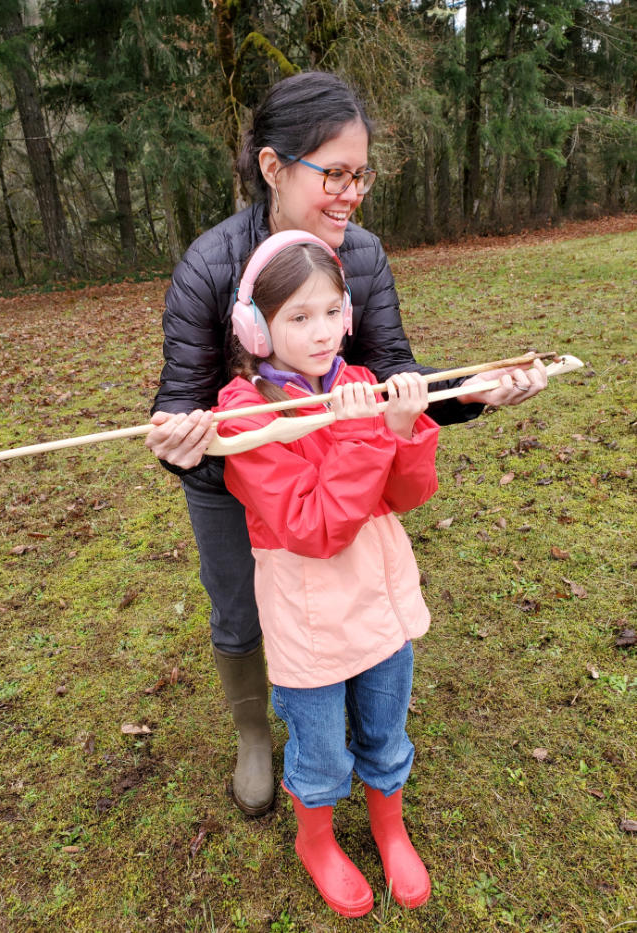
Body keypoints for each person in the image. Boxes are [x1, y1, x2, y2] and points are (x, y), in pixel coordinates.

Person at [146, 71, 547, 818]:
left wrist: (472, 387)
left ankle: (357, 715)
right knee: (241, 612)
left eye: (360, 174)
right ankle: (255, 735)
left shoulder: (358, 255)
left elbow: (394, 373)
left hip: (337, 472)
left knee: (345, 602)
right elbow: (179, 405)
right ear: (273, 167)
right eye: (333, 173)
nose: (351, 192)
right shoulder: (208, 265)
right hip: (238, 476)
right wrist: (182, 442)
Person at [214, 229, 438, 916]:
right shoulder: (245, 416)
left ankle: (388, 823)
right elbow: (312, 527)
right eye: (297, 316)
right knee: (317, 748)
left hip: (379, 596)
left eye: (331, 312)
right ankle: (316, 839)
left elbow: (405, 496)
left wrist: (400, 430)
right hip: (309, 612)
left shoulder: (362, 386)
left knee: (384, 727)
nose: (320, 333)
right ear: (257, 327)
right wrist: (355, 437)